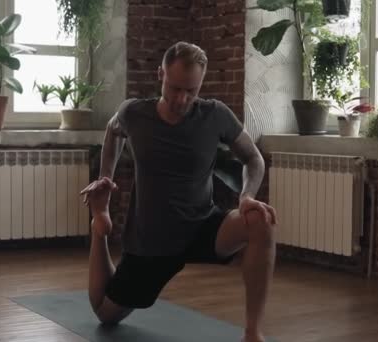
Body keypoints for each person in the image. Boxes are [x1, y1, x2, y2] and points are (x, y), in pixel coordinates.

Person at [80, 41, 277, 342]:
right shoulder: (135, 112)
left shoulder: (215, 115)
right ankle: (98, 226)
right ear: (160, 74)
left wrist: (247, 197)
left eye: (191, 90)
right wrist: (106, 177)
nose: (182, 99)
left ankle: (253, 332)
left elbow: (254, 158)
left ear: (201, 84)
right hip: (152, 242)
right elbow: (113, 129)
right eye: (174, 88)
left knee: (260, 222)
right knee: (105, 315)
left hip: (202, 225)